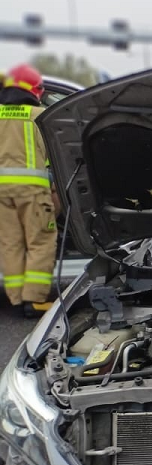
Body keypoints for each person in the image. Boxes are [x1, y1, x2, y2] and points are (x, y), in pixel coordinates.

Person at [0, 64, 57, 318]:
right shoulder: (39, 116)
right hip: (33, 191)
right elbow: (55, 156)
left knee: (10, 243)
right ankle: (34, 300)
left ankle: (15, 297)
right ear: (33, 90)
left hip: (1, 193)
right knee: (41, 242)